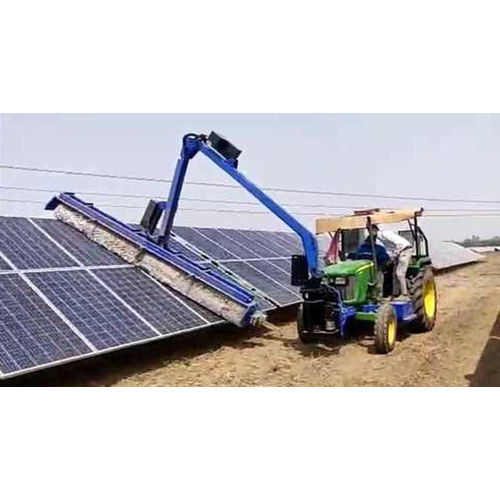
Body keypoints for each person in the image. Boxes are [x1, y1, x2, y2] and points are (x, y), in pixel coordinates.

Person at [372, 225, 413, 300]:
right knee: (394, 274)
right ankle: (395, 294)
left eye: (370, 230)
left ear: (374, 230)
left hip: (404, 250)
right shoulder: (380, 238)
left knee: (400, 273)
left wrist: (395, 255)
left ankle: (405, 294)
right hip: (399, 252)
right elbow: (390, 249)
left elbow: (399, 244)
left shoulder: (385, 234)